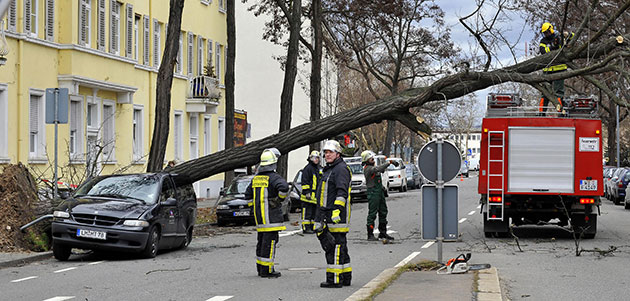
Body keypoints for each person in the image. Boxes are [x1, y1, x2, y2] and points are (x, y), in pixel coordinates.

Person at [244, 148, 289, 278]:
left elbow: (248, 196)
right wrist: (278, 200)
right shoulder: (274, 178)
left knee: (261, 242)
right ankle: (267, 270)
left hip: (260, 219)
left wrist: (255, 208)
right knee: (269, 244)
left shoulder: (256, 178)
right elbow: (284, 188)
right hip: (272, 218)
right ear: (273, 163)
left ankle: (260, 268)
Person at [314, 140, 352, 288]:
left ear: (338, 153)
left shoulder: (341, 169)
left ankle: (335, 279)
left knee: (334, 247)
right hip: (328, 214)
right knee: (341, 247)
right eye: (325, 152)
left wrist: (337, 210)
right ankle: (345, 277)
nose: (327, 155)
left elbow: (341, 192)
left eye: (330, 152)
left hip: (336, 216)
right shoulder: (329, 169)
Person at [539, 22, 574, 114]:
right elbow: (543, 51)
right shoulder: (543, 41)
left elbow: (573, 37)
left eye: (547, 32)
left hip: (559, 70)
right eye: (544, 33)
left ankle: (560, 112)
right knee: (545, 92)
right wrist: (551, 47)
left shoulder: (559, 37)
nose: (546, 34)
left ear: (551, 30)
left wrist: (567, 35)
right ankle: (541, 113)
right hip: (547, 70)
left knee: (559, 92)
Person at [361, 150, 396, 241]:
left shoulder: (373, 167)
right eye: (370, 158)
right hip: (373, 193)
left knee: (383, 211)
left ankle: (383, 233)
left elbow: (380, 170)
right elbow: (377, 169)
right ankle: (370, 234)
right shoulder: (368, 169)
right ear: (366, 160)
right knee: (372, 213)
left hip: (379, 192)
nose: (372, 159)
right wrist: (389, 163)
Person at [300, 150, 321, 234]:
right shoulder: (308, 168)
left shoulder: (317, 168)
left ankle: (312, 227)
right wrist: (307, 192)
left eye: (317, 158)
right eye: (314, 158)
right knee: (307, 213)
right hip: (307, 197)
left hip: (315, 196)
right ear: (310, 158)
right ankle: (306, 228)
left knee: (313, 213)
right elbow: (305, 181)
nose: (316, 159)